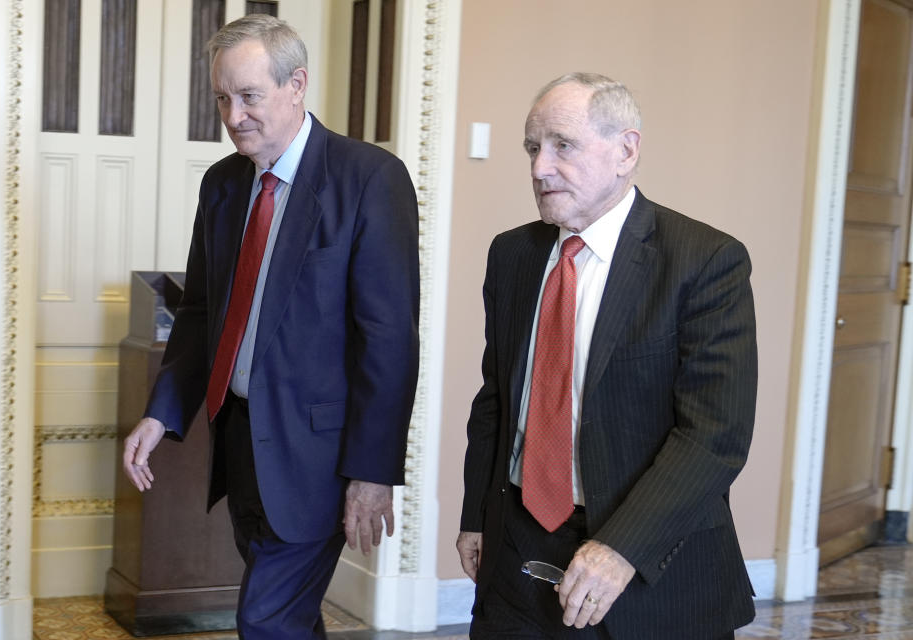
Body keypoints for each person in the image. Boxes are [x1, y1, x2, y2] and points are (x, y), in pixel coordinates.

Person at [121, 14, 419, 640]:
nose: (233, 115)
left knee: (266, 621)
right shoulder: (223, 184)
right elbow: (202, 311)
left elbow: (388, 341)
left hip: (321, 457)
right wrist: (161, 410)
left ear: (297, 85)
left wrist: (373, 471)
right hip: (241, 443)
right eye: (223, 98)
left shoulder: (369, 179)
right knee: (286, 618)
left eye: (249, 96)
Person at [456, 72, 757, 639]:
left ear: (625, 151)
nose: (539, 167)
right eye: (532, 147)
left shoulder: (704, 261)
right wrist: (477, 516)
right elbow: (496, 397)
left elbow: (714, 436)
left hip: (648, 564)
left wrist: (621, 548)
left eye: (561, 146)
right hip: (517, 549)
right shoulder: (513, 254)